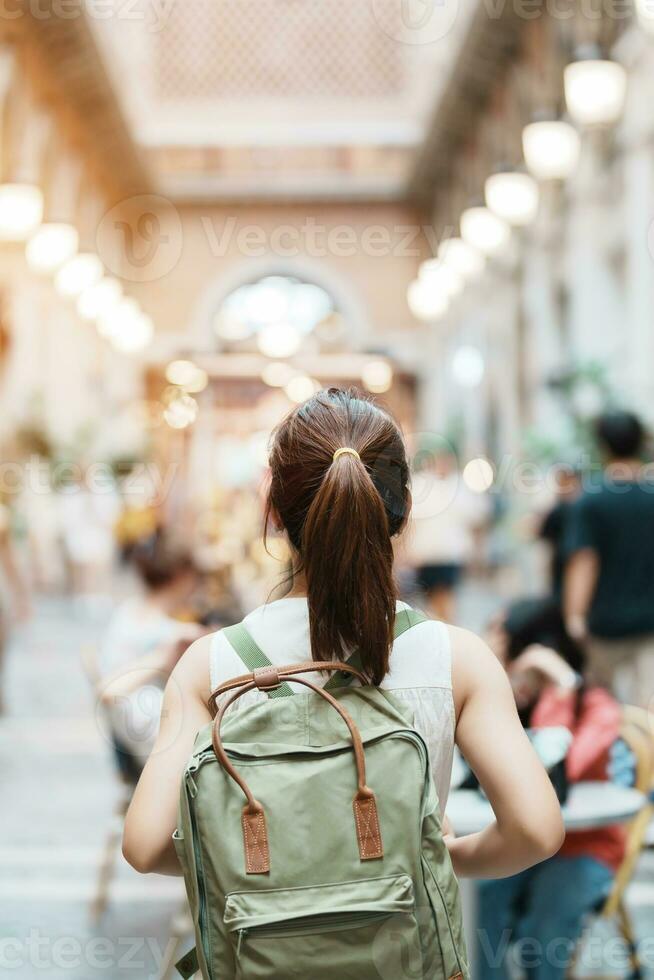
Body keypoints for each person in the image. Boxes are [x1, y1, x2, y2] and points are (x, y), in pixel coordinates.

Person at [123, 388, 563, 889]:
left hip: (265, 963)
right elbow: (536, 830)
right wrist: (438, 855)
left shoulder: (210, 665)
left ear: (275, 511)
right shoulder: (459, 659)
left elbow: (145, 845)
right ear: (403, 507)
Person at [480, 598, 625, 980]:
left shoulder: (596, 707)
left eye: (503, 636)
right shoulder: (524, 702)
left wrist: (562, 686)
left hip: (587, 846)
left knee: (543, 930)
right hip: (534, 844)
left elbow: (564, 768)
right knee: (482, 900)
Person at [564, 410, 654, 705]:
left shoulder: (592, 500)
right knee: (648, 712)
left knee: (606, 710)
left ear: (603, 446)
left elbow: (585, 562)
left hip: (605, 624)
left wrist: (575, 616)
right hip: (650, 622)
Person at [99, 533, 203, 777]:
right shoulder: (169, 634)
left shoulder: (128, 612)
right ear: (182, 577)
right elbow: (108, 690)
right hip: (148, 740)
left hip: (129, 738)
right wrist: (163, 657)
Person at [407, 446, 488, 622]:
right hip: (425, 555)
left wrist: (476, 554)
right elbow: (410, 523)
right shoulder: (420, 485)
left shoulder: (462, 487)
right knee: (430, 601)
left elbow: (476, 522)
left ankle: (448, 629)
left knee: (446, 598)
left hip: (451, 554)